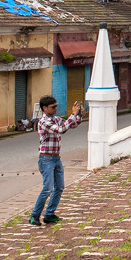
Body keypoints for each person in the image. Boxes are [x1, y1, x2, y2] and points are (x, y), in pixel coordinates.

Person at [29, 96, 82, 226]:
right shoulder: (43, 122)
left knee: (59, 187)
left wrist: (78, 115)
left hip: (56, 157)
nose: (56, 108)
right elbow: (61, 129)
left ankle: (49, 214)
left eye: (56, 106)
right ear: (44, 108)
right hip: (46, 158)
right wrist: (73, 115)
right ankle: (35, 215)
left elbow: (71, 125)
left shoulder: (55, 119)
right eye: (53, 107)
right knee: (48, 188)